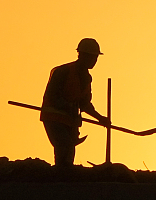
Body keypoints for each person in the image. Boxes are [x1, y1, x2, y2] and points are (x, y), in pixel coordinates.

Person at [40, 37, 111, 166]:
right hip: (54, 118)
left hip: (70, 120)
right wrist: (67, 106)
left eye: (96, 58)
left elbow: (85, 104)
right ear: (81, 55)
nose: (94, 61)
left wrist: (100, 118)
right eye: (91, 57)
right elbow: (52, 95)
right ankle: (59, 176)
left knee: (69, 152)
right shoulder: (63, 72)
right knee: (64, 145)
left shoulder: (87, 78)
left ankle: (66, 177)